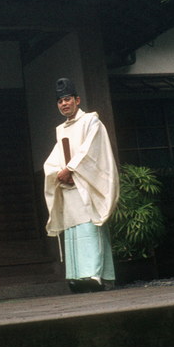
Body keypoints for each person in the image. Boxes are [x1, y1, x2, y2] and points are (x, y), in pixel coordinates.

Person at [43, 78, 119, 292]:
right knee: (74, 232)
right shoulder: (61, 129)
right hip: (69, 189)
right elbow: (54, 157)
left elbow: (91, 151)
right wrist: (58, 173)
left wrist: (71, 169)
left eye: (67, 99)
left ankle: (96, 276)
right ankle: (77, 276)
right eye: (60, 101)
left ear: (77, 100)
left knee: (90, 230)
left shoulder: (91, 121)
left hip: (86, 185)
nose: (64, 104)